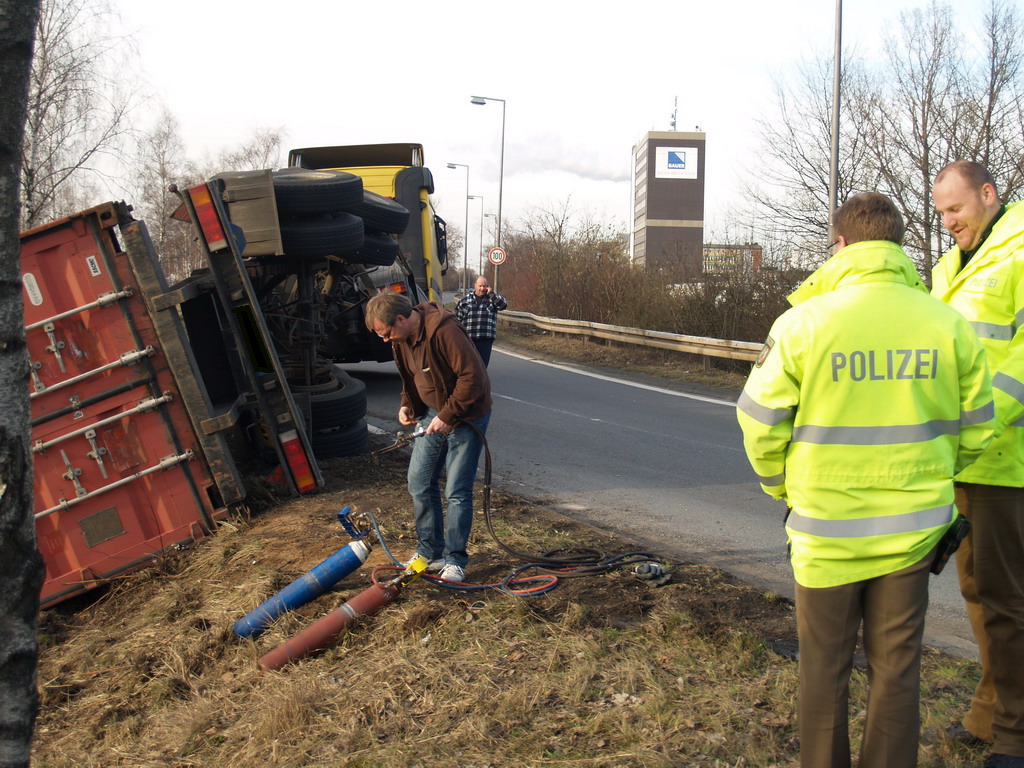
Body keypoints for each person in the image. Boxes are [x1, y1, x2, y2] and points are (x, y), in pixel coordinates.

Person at [736, 192, 995, 768]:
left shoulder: (804, 322)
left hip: (826, 533)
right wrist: (937, 474)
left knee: (824, 674)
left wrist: (782, 487)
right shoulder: (946, 322)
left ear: (842, 245)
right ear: (898, 245)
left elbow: (757, 422)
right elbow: (980, 426)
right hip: (912, 534)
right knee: (898, 673)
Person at [932, 160, 1024, 768]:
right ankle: (991, 712)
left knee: (1007, 598)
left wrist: (980, 432)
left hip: (1005, 459)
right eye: (940, 212)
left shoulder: (1018, 254)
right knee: (975, 589)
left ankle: (1016, 736)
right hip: (963, 458)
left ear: (988, 195)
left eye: (956, 209)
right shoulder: (948, 267)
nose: (948, 223)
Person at [364, 291, 491, 584]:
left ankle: (455, 560)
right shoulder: (402, 339)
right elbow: (410, 377)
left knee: (456, 492)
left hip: (468, 416)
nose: (385, 340)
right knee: (419, 482)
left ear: (401, 318)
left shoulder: (445, 331)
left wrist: (447, 416)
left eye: (386, 333)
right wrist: (407, 403)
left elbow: (474, 378)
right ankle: (429, 553)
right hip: (432, 413)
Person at [455, 275, 508, 367]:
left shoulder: (493, 299)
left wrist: (491, 294)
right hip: (469, 339)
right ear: (475, 285)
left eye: (484, 286)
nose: (482, 288)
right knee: (468, 366)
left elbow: (503, 305)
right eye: (480, 286)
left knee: (482, 367)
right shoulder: (465, 300)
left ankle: (479, 381)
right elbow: (458, 320)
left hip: (485, 339)